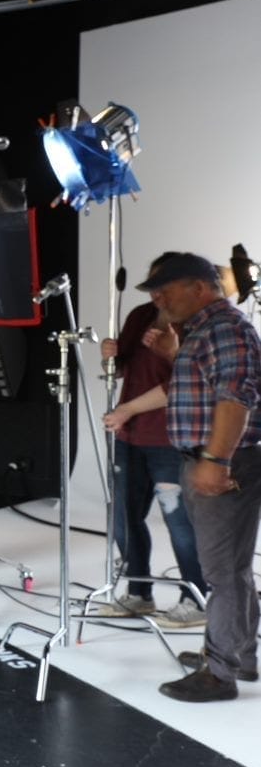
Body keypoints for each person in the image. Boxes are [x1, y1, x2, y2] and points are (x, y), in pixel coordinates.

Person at [104, 252, 261, 703]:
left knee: (222, 573)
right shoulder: (201, 330)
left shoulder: (225, 329)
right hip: (207, 458)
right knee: (232, 569)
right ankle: (238, 654)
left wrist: (216, 460)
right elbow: (196, 387)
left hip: (224, 462)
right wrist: (175, 355)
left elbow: (235, 397)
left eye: (165, 288)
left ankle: (219, 672)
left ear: (199, 287)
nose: (157, 298)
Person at [96, 252, 207, 627]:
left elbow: (182, 384)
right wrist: (108, 356)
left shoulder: (194, 325)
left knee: (180, 523)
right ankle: (139, 592)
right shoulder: (140, 316)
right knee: (124, 518)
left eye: (164, 289)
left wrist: (127, 410)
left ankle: (197, 597)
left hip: (170, 438)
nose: (158, 296)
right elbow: (123, 367)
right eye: (153, 289)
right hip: (130, 437)